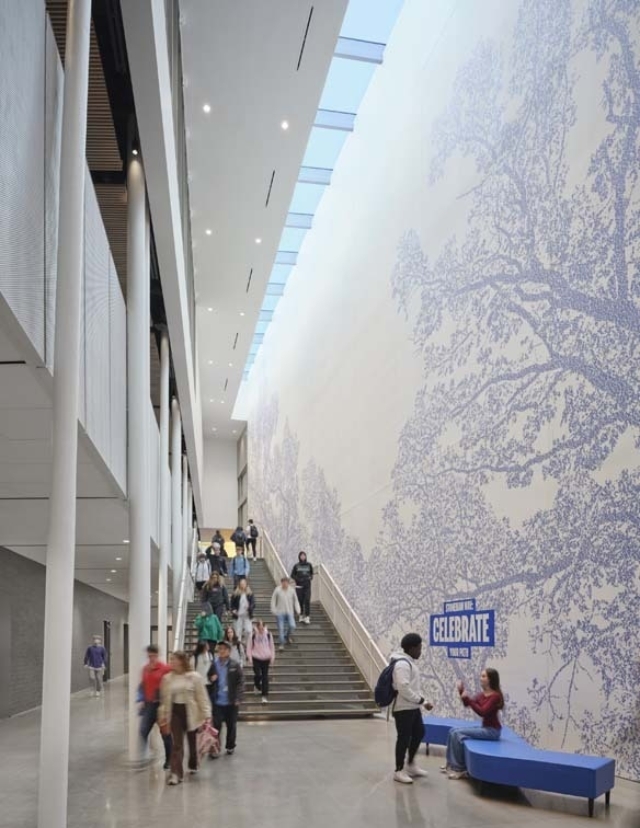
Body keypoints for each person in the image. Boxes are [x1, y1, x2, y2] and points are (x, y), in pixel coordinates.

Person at [158, 651, 211, 785]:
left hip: (191, 712)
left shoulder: (194, 677)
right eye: (171, 659)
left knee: (192, 743)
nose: (172, 662)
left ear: (182, 661)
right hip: (175, 712)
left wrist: (207, 715)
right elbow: (164, 700)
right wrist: (163, 715)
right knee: (177, 744)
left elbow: (202, 697)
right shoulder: (167, 678)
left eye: (174, 659)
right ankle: (176, 773)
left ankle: (193, 763)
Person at [444, 668, 504, 780]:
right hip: (486, 728)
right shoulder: (482, 694)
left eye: (483, 676)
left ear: (490, 679)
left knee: (457, 734)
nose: (480, 678)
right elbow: (468, 703)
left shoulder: (495, 696)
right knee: (453, 731)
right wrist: (461, 692)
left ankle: (459, 769)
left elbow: (483, 712)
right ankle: (450, 764)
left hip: (492, 732)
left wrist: (469, 700)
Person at [390, 633, 433, 784]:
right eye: (419, 648)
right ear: (412, 648)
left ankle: (410, 764)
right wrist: (421, 700)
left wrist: (422, 701)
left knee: (419, 732)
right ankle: (399, 770)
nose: (421, 651)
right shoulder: (402, 664)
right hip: (403, 709)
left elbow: (412, 687)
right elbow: (403, 688)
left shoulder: (409, 662)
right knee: (403, 738)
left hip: (412, 707)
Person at [207, 639, 243, 755]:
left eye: (224, 649)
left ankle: (230, 745)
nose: (221, 651)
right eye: (220, 649)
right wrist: (211, 678)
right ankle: (215, 748)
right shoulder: (214, 663)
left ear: (229, 651)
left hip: (231, 701)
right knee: (216, 726)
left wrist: (238, 697)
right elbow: (209, 676)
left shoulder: (234, 665)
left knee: (231, 725)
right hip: (217, 701)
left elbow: (240, 682)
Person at [139, 645, 172, 769]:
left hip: (161, 706)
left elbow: (173, 680)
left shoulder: (165, 668)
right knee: (143, 731)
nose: (151, 657)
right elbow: (143, 685)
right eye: (149, 655)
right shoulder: (145, 669)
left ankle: (169, 759)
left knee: (166, 734)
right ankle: (146, 755)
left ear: (158, 655)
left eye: (154, 655)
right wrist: (142, 699)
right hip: (148, 706)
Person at [246, 619, 275, 704]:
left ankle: (264, 696)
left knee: (265, 677)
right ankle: (257, 685)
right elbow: (249, 647)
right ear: (257, 627)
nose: (261, 630)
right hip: (256, 657)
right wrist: (250, 657)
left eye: (262, 627)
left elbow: (272, 646)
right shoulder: (253, 635)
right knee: (258, 674)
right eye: (260, 628)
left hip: (266, 658)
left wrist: (272, 657)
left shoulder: (269, 635)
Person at [270, 576, 301, 651]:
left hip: (289, 612)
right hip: (280, 613)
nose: (285, 584)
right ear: (281, 583)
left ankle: (287, 636)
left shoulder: (292, 590)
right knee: (281, 629)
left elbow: (296, 600)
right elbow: (273, 600)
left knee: (292, 625)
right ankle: (281, 644)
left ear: (288, 583)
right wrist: (273, 610)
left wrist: (298, 610)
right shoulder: (277, 590)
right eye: (283, 582)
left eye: (286, 582)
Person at [291, 550, 313, 624]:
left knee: (307, 600)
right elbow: (292, 575)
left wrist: (310, 577)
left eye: (304, 555)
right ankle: (301, 615)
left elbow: (312, 574)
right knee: (300, 601)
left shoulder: (309, 565)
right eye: (301, 556)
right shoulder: (296, 566)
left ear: (306, 556)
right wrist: (298, 579)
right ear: (299, 557)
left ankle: (307, 616)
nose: (303, 557)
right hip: (299, 586)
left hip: (307, 586)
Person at [230, 578, 255, 646]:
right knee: (238, 632)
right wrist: (233, 610)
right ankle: (239, 646)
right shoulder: (236, 593)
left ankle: (247, 644)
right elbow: (232, 604)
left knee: (249, 631)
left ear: (246, 585)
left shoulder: (250, 594)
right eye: (241, 584)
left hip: (247, 615)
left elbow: (253, 603)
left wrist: (250, 607)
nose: (242, 585)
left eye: (244, 584)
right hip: (238, 615)